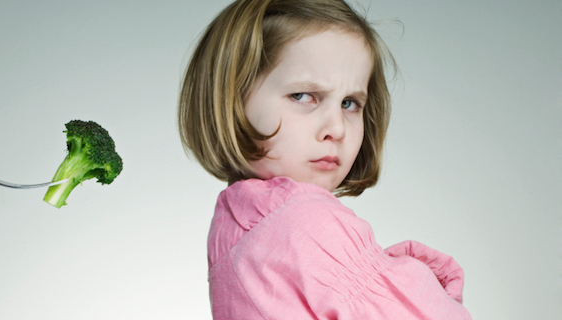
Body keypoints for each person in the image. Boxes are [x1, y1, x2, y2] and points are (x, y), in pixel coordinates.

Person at [178, 0, 472, 319]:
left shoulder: (235, 225)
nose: (336, 128)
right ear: (232, 99)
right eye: (303, 96)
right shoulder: (306, 221)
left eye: (349, 103)